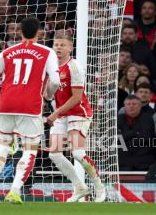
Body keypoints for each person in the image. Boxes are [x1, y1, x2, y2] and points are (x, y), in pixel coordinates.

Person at [0, 18, 60, 204]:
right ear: (39, 33)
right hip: (30, 107)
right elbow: (55, 82)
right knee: (29, 150)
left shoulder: (7, 52)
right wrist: (48, 96)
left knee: (3, 146)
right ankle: (14, 191)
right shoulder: (47, 52)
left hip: (7, 106)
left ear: (19, 32)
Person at [45, 33, 106, 203]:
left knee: (78, 153)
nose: (58, 47)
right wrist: (46, 92)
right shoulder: (51, 68)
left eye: (62, 45)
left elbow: (77, 98)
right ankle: (80, 187)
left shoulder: (75, 67)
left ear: (70, 48)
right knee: (54, 155)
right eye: (56, 44)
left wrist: (55, 113)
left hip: (78, 113)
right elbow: (48, 95)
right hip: (61, 115)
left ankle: (99, 187)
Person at [118, 95, 156, 171]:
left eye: (134, 104)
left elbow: (145, 139)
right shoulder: (118, 119)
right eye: (128, 104)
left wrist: (124, 138)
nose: (131, 106)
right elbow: (116, 139)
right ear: (124, 106)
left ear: (140, 106)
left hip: (143, 163)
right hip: (123, 163)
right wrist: (135, 132)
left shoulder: (148, 119)